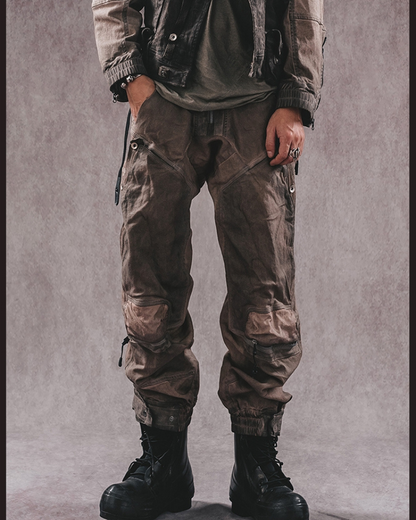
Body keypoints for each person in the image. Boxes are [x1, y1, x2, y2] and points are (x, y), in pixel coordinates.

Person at [92, 1, 325, 519]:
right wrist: (131, 76)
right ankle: (163, 464)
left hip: (258, 108)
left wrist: (295, 99)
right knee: (150, 293)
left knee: (264, 297)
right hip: (164, 106)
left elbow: (305, 8)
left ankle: (256, 469)